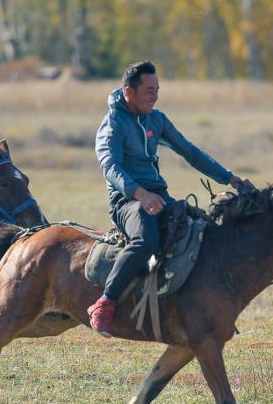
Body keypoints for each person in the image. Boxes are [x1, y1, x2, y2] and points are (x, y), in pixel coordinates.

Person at [88, 60, 249, 336]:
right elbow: (110, 167)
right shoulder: (113, 124)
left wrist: (230, 178)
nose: (155, 96)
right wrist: (139, 193)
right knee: (146, 240)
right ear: (129, 92)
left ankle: (205, 307)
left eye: (157, 90)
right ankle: (105, 303)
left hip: (157, 195)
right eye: (149, 90)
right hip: (127, 201)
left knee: (201, 232)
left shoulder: (156, 119)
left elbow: (189, 151)